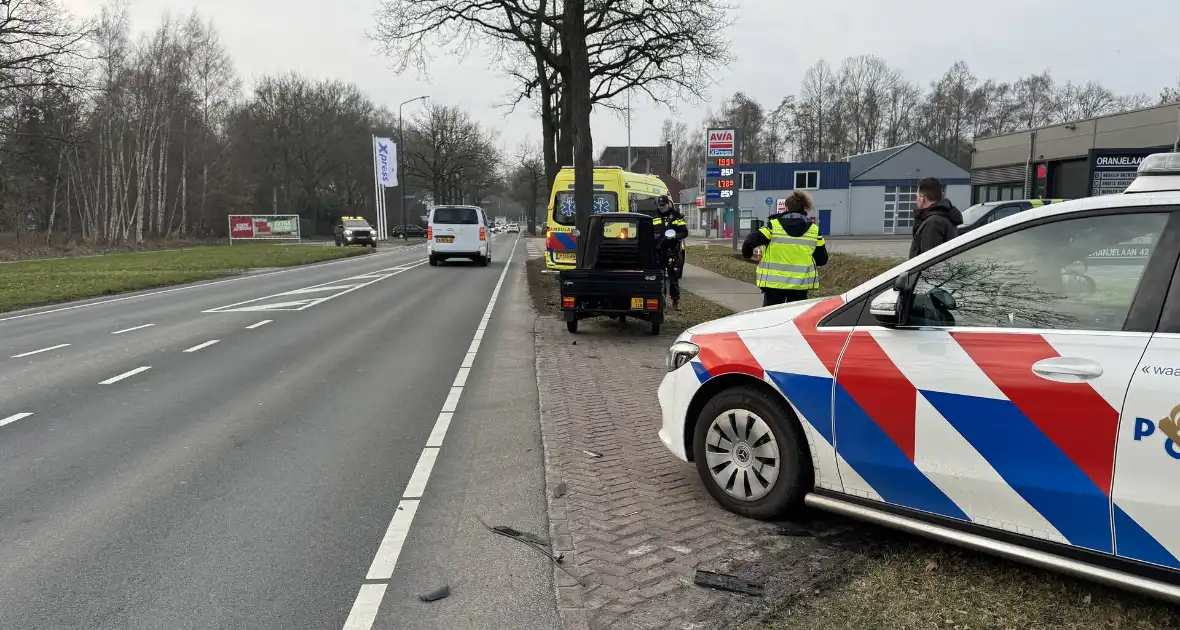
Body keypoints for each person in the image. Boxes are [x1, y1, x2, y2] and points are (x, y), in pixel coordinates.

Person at [742, 190, 828, 306]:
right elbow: (822, 259)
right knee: (795, 319)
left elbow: (750, 241)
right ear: (804, 208)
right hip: (800, 286)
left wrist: (749, 255)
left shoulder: (774, 226)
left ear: (786, 208)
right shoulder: (814, 230)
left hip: (773, 286)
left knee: (771, 320)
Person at [909, 177, 963, 259]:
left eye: (917, 196)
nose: (916, 200)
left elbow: (928, 262)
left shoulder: (933, 223)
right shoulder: (944, 217)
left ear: (922, 198)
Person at [653, 195, 689, 309]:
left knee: (673, 280)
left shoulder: (677, 218)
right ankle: (661, 301)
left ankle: (675, 301)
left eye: (664, 205)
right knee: (660, 279)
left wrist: (674, 236)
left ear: (668, 204)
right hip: (659, 252)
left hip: (673, 253)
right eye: (660, 205)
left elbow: (684, 233)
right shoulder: (655, 219)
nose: (662, 207)